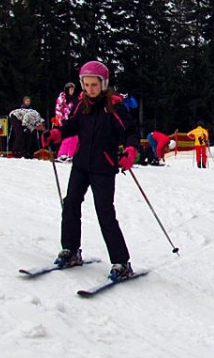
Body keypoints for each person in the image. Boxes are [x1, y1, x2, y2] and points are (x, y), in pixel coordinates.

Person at [42, 61, 140, 281]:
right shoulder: (81, 104)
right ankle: (71, 250)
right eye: (85, 85)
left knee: (105, 212)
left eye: (94, 85)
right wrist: (57, 134)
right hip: (81, 164)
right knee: (70, 203)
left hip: (103, 167)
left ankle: (121, 262)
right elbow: (71, 125)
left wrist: (130, 152)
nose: (89, 89)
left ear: (103, 84)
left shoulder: (114, 107)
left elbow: (131, 133)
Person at [55, 82, 79, 161]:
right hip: (64, 120)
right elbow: (58, 109)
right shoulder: (62, 97)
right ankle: (62, 154)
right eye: (70, 89)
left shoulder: (74, 99)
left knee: (75, 137)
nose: (72, 91)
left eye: (73, 89)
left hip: (72, 120)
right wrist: (61, 119)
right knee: (66, 137)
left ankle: (71, 155)